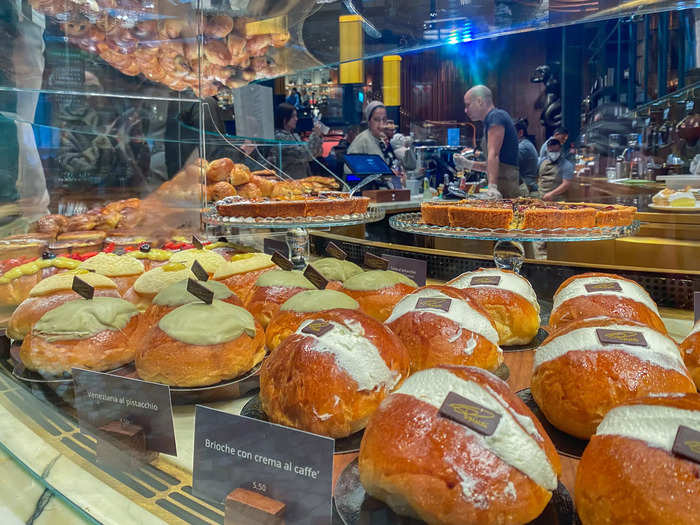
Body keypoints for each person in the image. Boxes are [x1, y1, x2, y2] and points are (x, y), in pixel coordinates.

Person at [456, 85, 520, 198]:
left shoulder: (496, 116)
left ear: (480, 101)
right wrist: (467, 163)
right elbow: (491, 164)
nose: (465, 110)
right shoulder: (489, 120)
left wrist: (492, 186)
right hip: (503, 182)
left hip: (506, 186)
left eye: (468, 105)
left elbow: (493, 155)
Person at [346, 101, 404, 189]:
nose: (381, 124)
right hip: (362, 195)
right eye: (376, 120)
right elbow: (349, 175)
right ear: (368, 121)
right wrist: (380, 174)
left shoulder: (382, 140)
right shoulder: (362, 140)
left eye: (384, 120)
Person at [266, 102, 323, 179]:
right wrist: (315, 135)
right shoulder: (280, 137)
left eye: (296, 116)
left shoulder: (293, 135)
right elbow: (305, 154)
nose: (296, 119)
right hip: (287, 182)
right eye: (293, 116)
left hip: (300, 180)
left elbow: (313, 154)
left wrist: (318, 138)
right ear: (284, 119)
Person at [514, 118, 539, 193]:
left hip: (527, 187)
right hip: (527, 185)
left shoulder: (523, 147)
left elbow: (509, 165)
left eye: (510, 133)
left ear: (520, 133)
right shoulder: (525, 143)